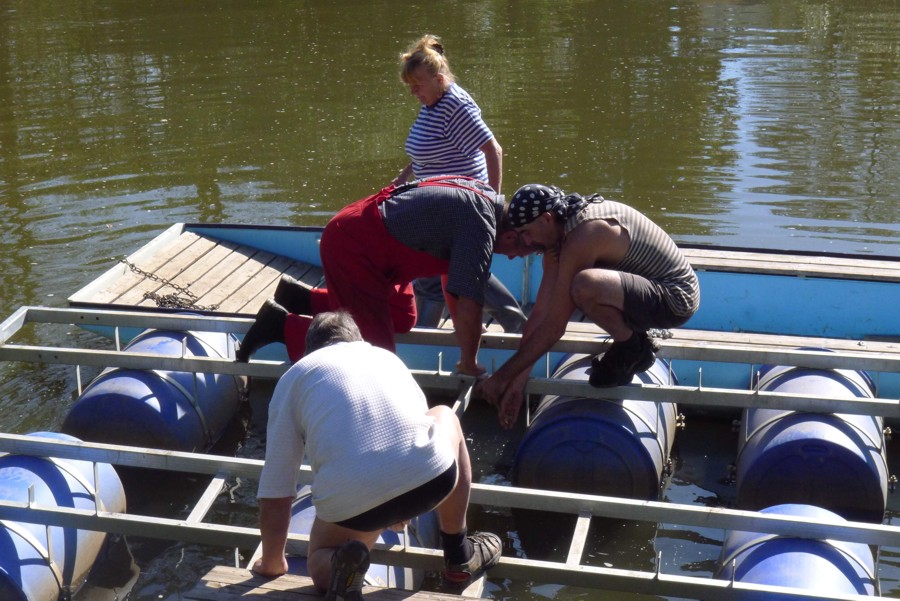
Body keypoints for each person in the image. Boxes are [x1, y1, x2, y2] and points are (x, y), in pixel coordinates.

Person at [252, 311, 503, 600]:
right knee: (444, 414)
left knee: (322, 552)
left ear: (309, 351)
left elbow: (277, 491)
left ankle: (339, 570)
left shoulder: (294, 377)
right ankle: (459, 555)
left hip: (355, 502)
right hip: (431, 477)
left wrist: (272, 563)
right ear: (358, 340)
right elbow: (414, 432)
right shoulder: (386, 358)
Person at [236, 176, 532, 374]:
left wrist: (466, 347)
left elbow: (453, 287)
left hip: (377, 253)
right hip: (355, 247)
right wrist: (469, 361)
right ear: (512, 233)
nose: (511, 256)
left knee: (402, 317)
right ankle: (280, 326)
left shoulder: (484, 205)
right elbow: (468, 301)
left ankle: (302, 299)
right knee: (375, 357)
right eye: (518, 248)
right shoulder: (480, 228)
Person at [476, 184, 700, 429]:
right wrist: (517, 384)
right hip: (646, 291)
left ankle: (634, 348)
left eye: (527, 232)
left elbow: (554, 327)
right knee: (582, 286)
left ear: (547, 219)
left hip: (676, 298)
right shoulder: (557, 239)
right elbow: (540, 314)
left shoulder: (583, 235)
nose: (527, 241)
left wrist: (501, 377)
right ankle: (632, 341)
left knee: (584, 286)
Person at [392, 33, 526, 334]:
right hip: (436, 207)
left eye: (417, 85)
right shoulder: (433, 103)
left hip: (462, 209)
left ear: (438, 78)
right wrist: (405, 175)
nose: (414, 92)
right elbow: (430, 147)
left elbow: (494, 149)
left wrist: (492, 200)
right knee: (430, 271)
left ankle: (516, 325)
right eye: (410, 87)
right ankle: (425, 337)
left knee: (461, 273)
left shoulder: (455, 105)